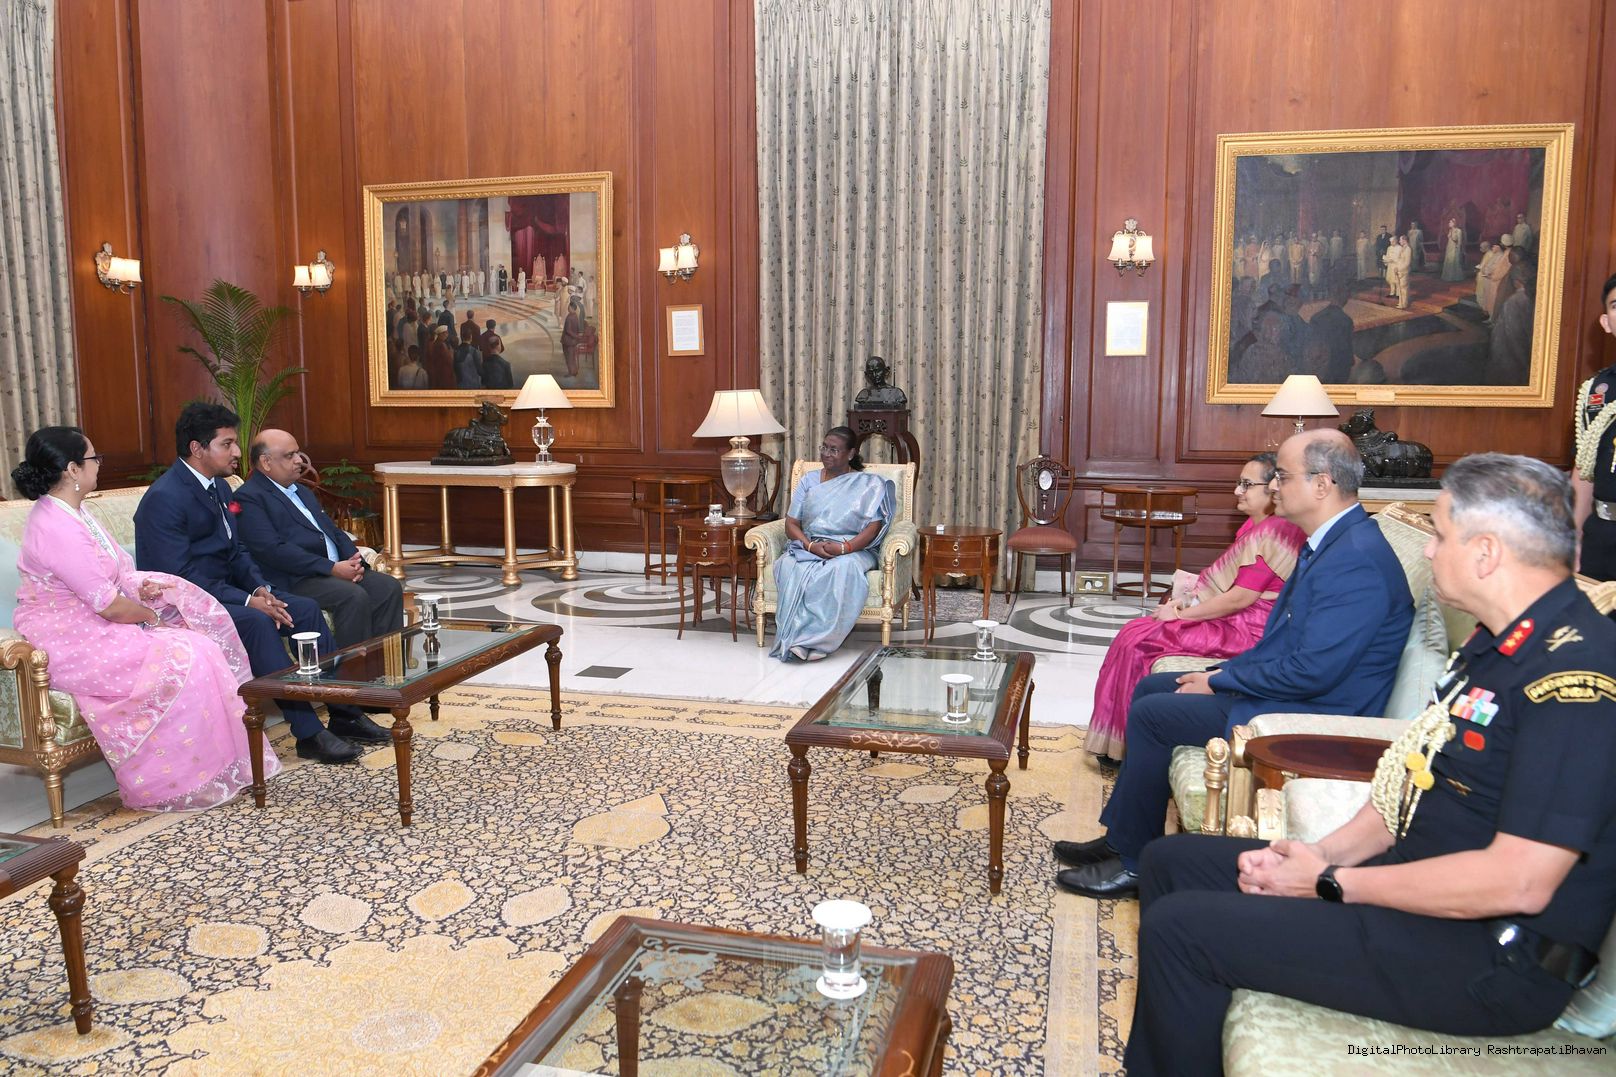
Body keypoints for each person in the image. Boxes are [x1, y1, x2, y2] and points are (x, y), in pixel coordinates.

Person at [1124, 454, 1616, 1076]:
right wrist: (1318, 854)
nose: (1428, 551)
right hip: (1417, 892)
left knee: (1180, 930)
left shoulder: (1576, 682)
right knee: (1170, 862)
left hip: (1489, 958)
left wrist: (1331, 883)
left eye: (1440, 535)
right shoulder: (1500, 643)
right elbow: (1407, 784)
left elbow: (1519, 882)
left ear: (1486, 552)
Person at [1054, 429, 1413, 899]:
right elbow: (1283, 642)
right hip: (1297, 689)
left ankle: (1136, 867)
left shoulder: (1355, 559)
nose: (1275, 486)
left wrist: (1224, 681)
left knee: (1155, 714)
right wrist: (1220, 676)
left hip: (1316, 713)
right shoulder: (1332, 541)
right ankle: (1123, 838)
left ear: (1322, 484)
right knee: (1152, 689)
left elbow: (1313, 671)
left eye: (1283, 476)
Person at [9, 426, 277, 812]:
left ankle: (217, 768)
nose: (99, 465)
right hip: (70, 635)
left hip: (95, 619)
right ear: (72, 469)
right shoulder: (55, 525)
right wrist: (151, 618)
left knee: (201, 645)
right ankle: (172, 782)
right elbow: (107, 604)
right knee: (188, 655)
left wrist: (143, 589)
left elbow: (114, 576)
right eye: (93, 458)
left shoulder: (76, 513)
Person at [134, 403, 389, 764]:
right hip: (186, 603)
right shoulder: (165, 498)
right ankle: (307, 732)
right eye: (227, 444)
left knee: (304, 610)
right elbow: (180, 576)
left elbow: (237, 551)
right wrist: (247, 601)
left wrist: (260, 590)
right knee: (257, 622)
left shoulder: (220, 489)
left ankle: (344, 712)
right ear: (197, 448)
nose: (237, 452)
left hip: (229, 592)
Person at [1084, 454, 1304, 765]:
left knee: (1142, 640)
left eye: (1246, 485)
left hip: (1249, 629)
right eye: (1239, 483)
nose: (1237, 491)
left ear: (1273, 489)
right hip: (1235, 618)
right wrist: (1185, 602)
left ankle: (1130, 745)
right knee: (1135, 632)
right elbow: (1223, 586)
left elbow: (1239, 598)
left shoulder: (1276, 532)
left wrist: (1179, 615)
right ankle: (1118, 742)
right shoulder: (1254, 528)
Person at [235, 429, 404, 649]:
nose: (299, 460)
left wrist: (355, 562)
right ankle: (352, 668)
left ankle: (385, 662)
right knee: (352, 596)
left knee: (388, 587)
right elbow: (273, 550)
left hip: (330, 570)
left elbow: (333, 531)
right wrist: (332, 568)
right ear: (266, 462)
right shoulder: (249, 497)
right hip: (297, 578)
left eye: (297, 453)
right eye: (289, 456)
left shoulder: (302, 491)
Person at [770, 426, 896, 662]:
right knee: (788, 566)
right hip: (811, 545)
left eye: (834, 450)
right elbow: (791, 524)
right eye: (824, 447)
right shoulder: (809, 480)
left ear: (850, 454)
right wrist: (809, 546)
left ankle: (817, 642)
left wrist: (844, 548)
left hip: (854, 548)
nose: (826, 454)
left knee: (842, 568)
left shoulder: (868, 484)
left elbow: (873, 528)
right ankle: (797, 638)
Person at [1572, 271, 1616, 581]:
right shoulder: (1597, 390)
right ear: (1606, 322)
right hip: (1600, 537)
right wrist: (1573, 537)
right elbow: (1584, 470)